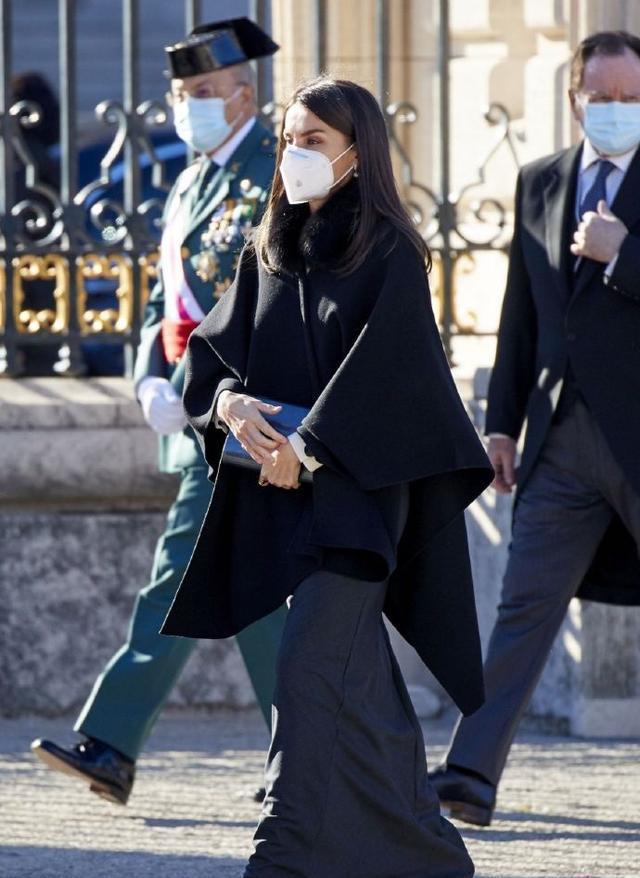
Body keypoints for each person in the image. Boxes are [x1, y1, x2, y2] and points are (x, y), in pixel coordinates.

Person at [161, 75, 493, 878]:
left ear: (355, 153)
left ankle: (281, 856)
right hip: (281, 514)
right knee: (365, 702)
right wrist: (233, 406)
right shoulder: (269, 246)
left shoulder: (389, 255)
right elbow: (207, 360)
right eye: (287, 138)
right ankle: (428, 853)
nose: (294, 155)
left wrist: (304, 447)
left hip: (354, 515)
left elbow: (396, 380)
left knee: (308, 677)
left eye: (312, 141)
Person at [31, 17, 286, 806]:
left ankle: (110, 742)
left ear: (245, 96)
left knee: (178, 579)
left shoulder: (268, 175)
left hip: (239, 416)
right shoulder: (190, 180)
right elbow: (156, 301)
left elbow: (271, 301)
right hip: (194, 415)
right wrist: (148, 377)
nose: (189, 108)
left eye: (204, 93)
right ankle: (320, 755)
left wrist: (207, 390)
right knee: (253, 604)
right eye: (183, 95)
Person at [430, 30, 640, 827]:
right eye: (604, 97)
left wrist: (625, 256)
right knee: (525, 606)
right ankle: (470, 774)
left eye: (632, 98)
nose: (617, 111)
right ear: (575, 97)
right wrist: (500, 424)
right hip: (561, 441)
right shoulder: (541, 181)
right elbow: (520, 312)